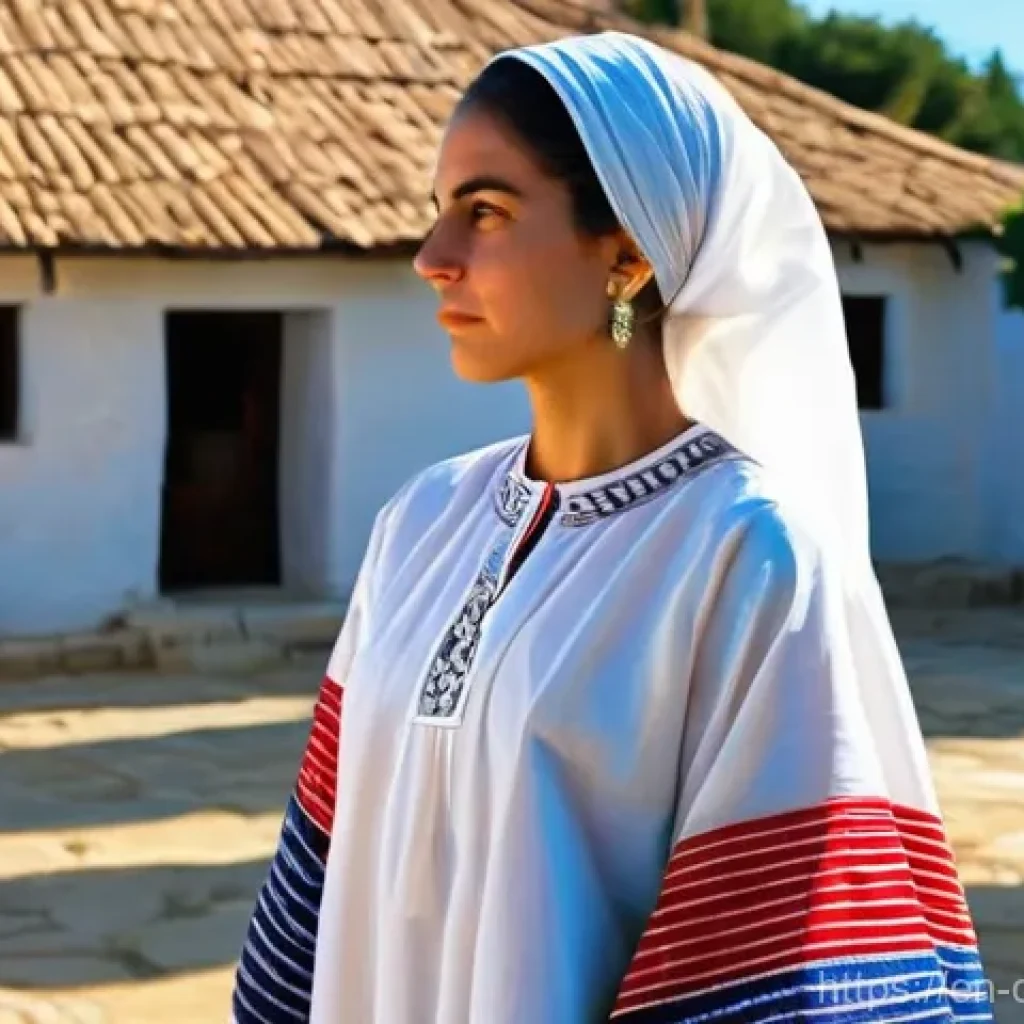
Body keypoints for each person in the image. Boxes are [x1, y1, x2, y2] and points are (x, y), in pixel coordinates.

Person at [231, 31, 992, 1024]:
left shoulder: (746, 555)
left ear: (627, 253)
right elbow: (318, 884)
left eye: (487, 212)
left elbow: (767, 961)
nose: (432, 259)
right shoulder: (420, 522)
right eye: (439, 212)